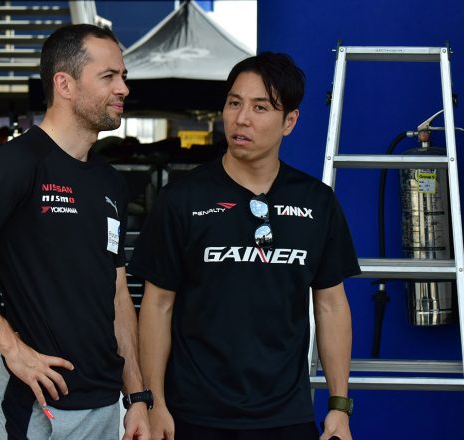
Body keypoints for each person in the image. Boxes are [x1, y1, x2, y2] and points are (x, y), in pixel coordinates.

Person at [0, 24, 151, 440]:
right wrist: (14, 352)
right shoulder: (18, 162)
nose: (123, 88)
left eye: (123, 77)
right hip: (40, 398)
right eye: (108, 76)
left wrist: (136, 396)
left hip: (104, 399)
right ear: (64, 84)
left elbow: (117, 293)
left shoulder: (110, 182)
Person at [129, 52, 360, 440]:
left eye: (260, 107)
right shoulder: (181, 199)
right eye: (234, 103)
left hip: (286, 416)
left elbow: (331, 304)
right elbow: (157, 305)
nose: (241, 118)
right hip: (193, 415)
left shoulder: (317, 202)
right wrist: (154, 402)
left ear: (289, 121)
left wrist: (339, 407)